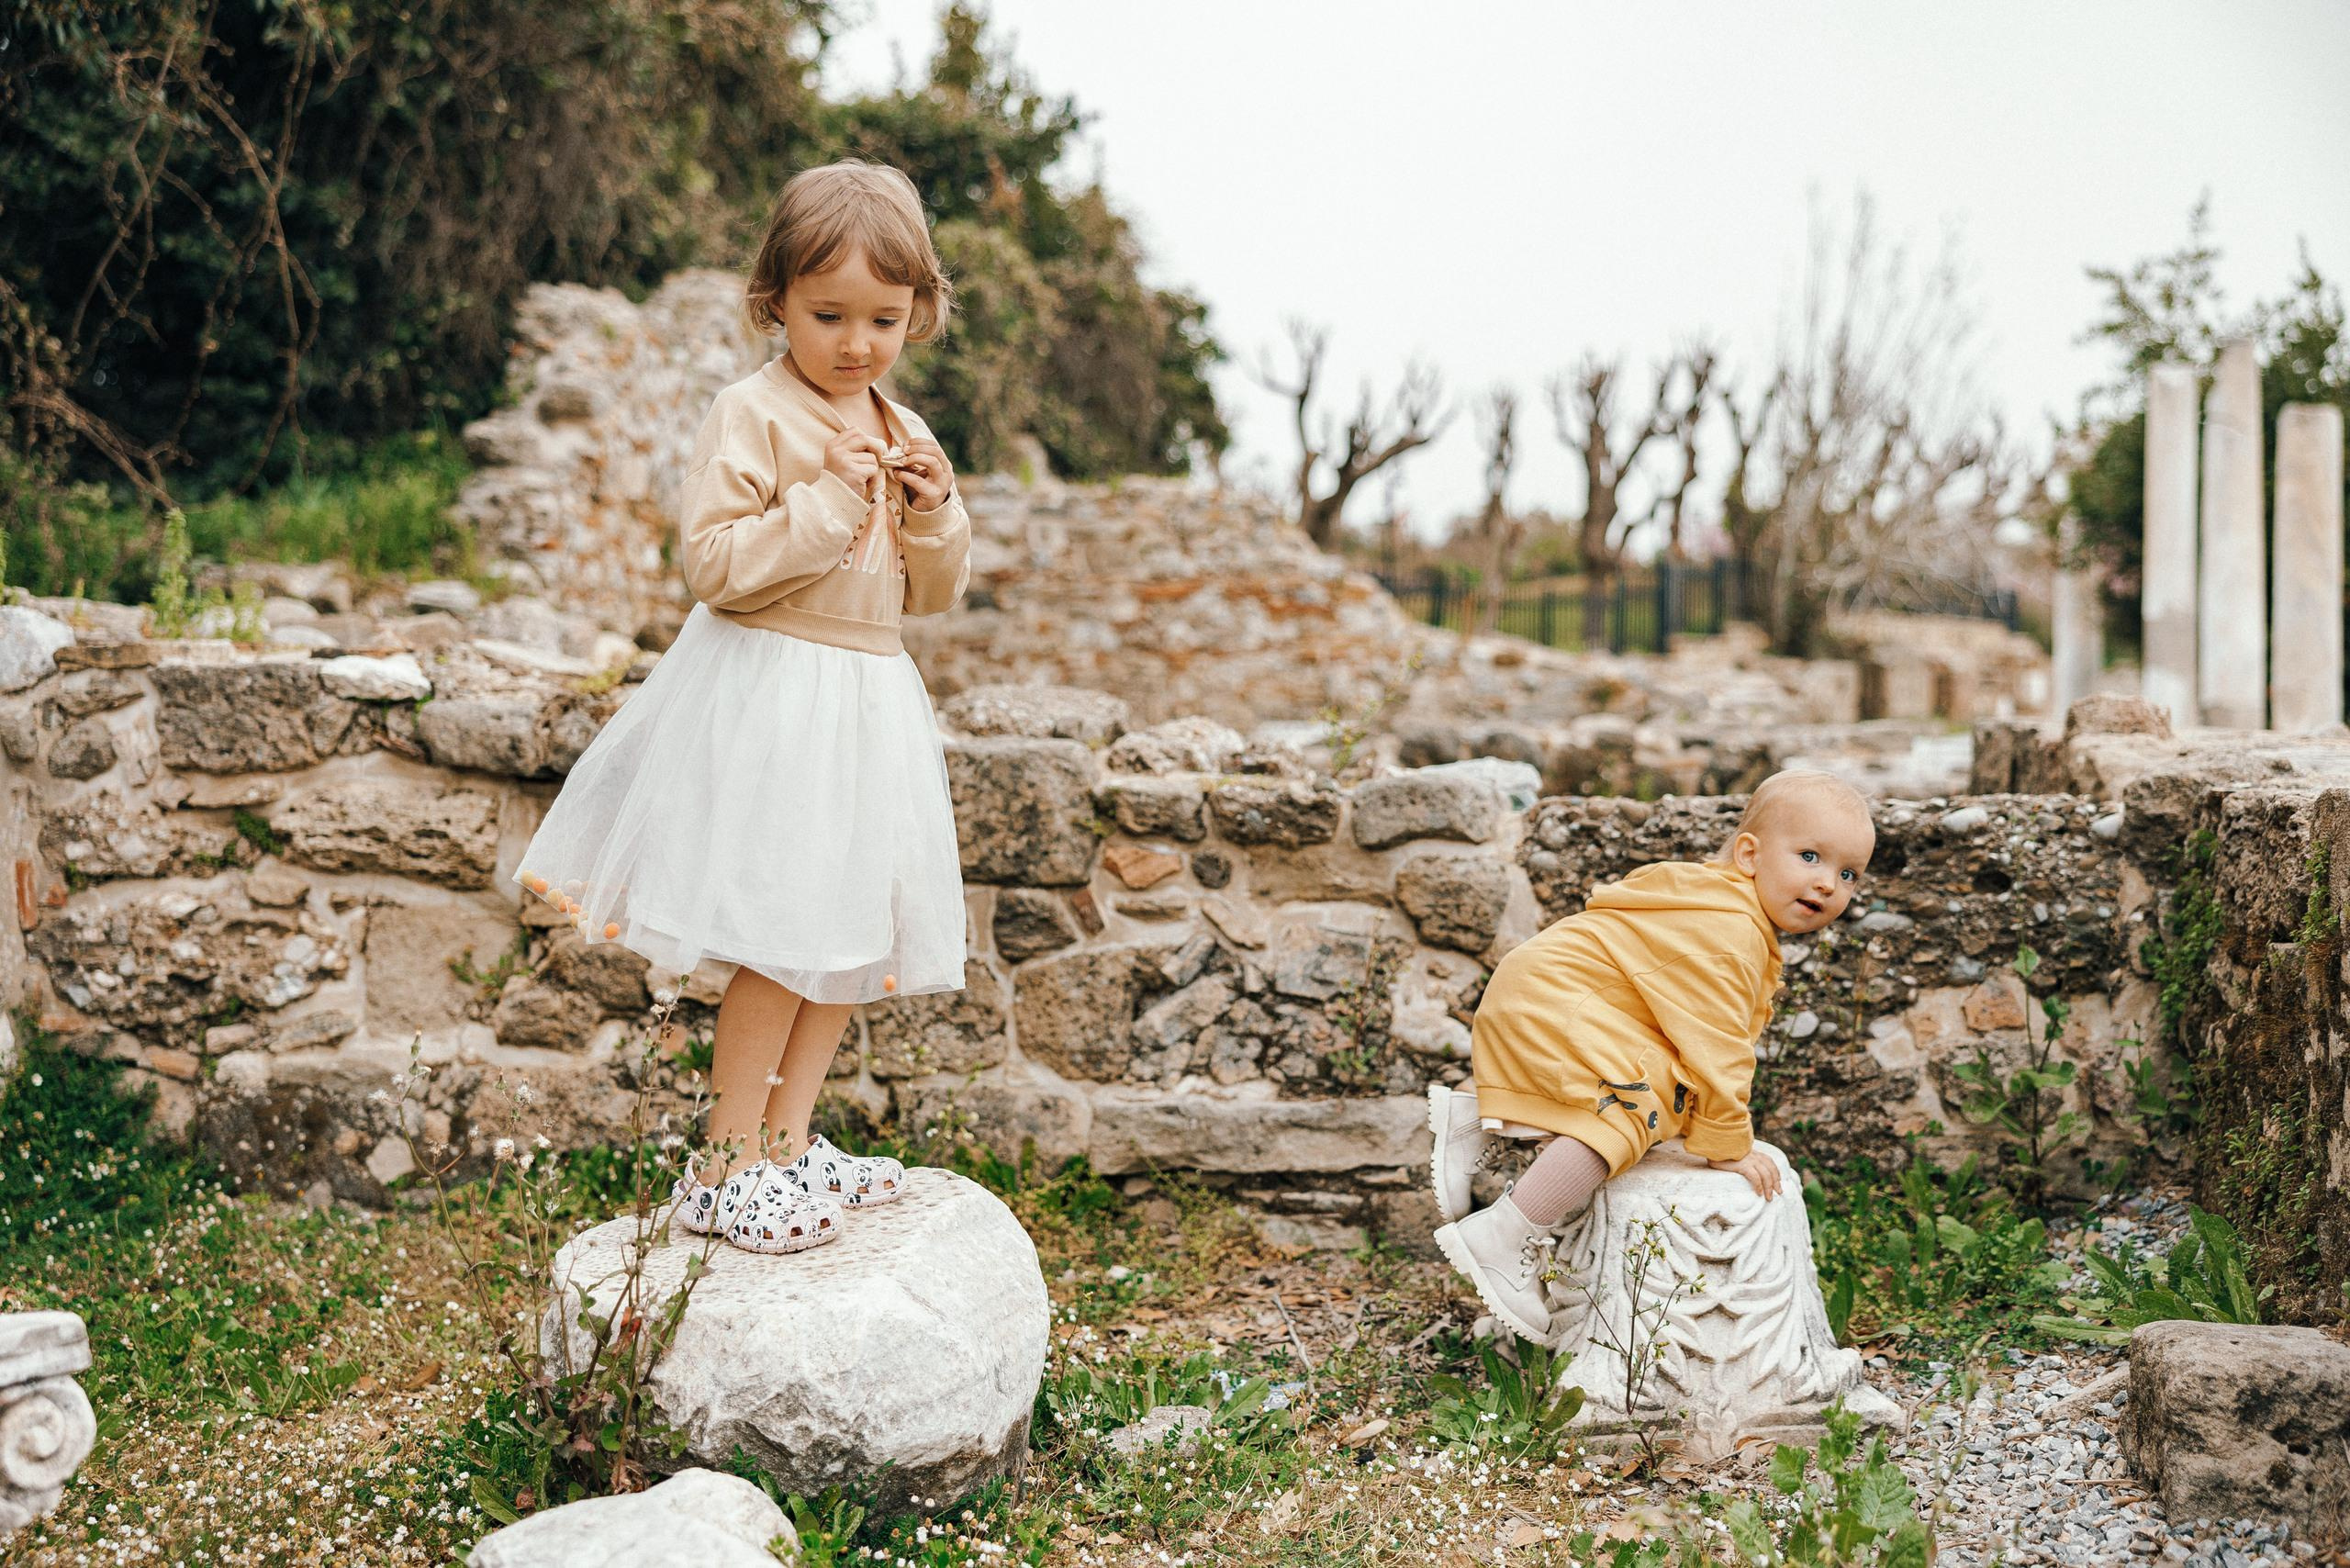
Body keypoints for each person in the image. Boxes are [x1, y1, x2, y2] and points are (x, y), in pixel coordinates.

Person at [513, 160, 970, 1255]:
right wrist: (824, 501)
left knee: (846, 938)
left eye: (884, 319)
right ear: (774, 301)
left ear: (919, 313)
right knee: (780, 935)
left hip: (868, 698)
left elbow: (938, 594)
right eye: (828, 316)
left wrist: (934, 506)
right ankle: (723, 1163)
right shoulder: (753, 412)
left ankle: (788, 1142)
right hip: (775, 692)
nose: (856, 344)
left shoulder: (902, 423)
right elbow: (716, 566)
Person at [1427, 771, 1875, 1339]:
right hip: (1561, 1000)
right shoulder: (1731, 933)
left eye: (1847, 874)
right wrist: (1725, 1146)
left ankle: (1473, 1114)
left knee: (1660, 1083)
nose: (1827, 884)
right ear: (1748, 853)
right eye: (1809, 855)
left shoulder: (1710, 900)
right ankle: (1506, 1234)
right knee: (1628, 1109)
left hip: (1546, 991)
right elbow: (1718, 1053)